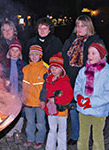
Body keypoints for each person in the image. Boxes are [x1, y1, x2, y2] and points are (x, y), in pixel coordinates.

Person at [62, 14, 105, 145]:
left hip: (89, 82)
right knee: (75, 109)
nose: (79, 28)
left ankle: (93, 136)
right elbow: (63, 57)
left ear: (89, 27)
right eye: (77, 25)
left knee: (89, 110)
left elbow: (102, 62)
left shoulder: (96, 41)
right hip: (72, 80)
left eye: (83, 26)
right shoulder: (71, 41)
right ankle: (76, 135)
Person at [74, 42, 109, 150]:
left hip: (98, 111)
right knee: (82, 137)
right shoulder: (83, 71)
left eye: (94, 53)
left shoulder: (106, 72)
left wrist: (91, 101)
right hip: (83, 110)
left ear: (101, 56)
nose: (90, 56)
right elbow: (77, 87)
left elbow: (107, 94)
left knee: (97, 138)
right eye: (89, 53)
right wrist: (79, 97)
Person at [43, 52, 73, 150]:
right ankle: (49, 147)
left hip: (61, 110)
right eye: (52, 68)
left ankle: (61, 148)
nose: (54, 70)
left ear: (62, 69)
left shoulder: (64, 81)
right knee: (52, 130)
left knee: (62, 131)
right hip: (51, 110)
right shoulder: (48, 79)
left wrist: (56, 99)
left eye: (56, 68)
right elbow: (46, 93)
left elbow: (69, 96)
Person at [22, 44, 48, 149]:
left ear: (40, 56)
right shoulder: (25, 69)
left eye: (36, 54)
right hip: (28, 101)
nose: (34, 56)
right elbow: (23, 85)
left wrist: (43, 100)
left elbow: (46, 87)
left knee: (41, 123)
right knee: (30, 122)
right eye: (32, 54)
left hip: (39, 102)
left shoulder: (44, 70)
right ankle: (30, 138)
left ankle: (39, 139)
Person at [2, 39, 27, 144]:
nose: (15, 53)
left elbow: (26, 78)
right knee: (9, 112)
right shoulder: (5, 63)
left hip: (19, 91)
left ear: (20, 52)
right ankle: (8, 132)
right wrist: (4, 81)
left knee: (19, 113)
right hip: (8, 92)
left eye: (17, 51)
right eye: (13, 50)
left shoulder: (23, 64)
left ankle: (17, 131)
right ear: (9, 52)